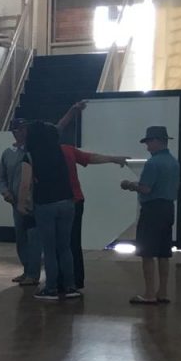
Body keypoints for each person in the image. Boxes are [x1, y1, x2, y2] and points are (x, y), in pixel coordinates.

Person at [56, 101, 127, 290]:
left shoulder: (45, 152)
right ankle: (75, 279)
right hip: (75, 200)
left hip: (60, 202)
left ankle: (62, 278)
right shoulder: (67, 150)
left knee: (60, 242)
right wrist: (113, 159)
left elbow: (59, 127)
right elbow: (91, 158)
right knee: (72, 241)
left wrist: (72, 110)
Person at [17, 120, 80, 300]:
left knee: (49, 248)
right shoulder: (60, 151)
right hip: (67, 202)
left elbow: (25, 183)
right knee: (65, 247)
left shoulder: (30, 156)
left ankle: (51, 288)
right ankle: (70, 286)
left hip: (45, 204)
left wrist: (21, 204)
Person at [121, 126, 180, 305]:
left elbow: (146, 188)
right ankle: (163, 292)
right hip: (168, 208)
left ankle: (149, 294)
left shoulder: (153, 163)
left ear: (156, 141)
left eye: (148, 142)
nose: (147, 146)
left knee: (147, 252)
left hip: (152, 209)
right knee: (163, 252)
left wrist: (129, 185)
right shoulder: (173, 162)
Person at [0, 118, 40, 286]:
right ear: (14, 132)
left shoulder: (34, 151)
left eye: (24, 129)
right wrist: (5, 192)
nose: (22, 132)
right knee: (21, 238)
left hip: (34, 202)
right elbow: (1, 178)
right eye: (19, 130)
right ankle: (26, 269)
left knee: (33, 238)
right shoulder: (7, 154)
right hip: (15, 203)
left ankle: (34, 273)